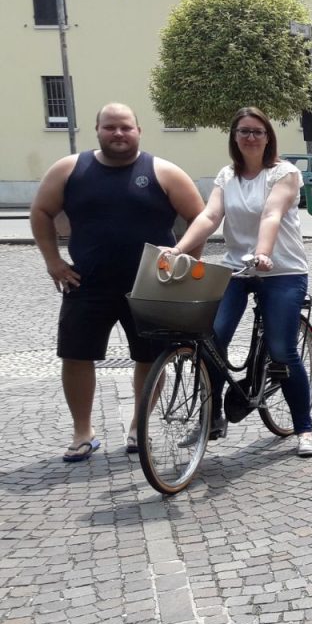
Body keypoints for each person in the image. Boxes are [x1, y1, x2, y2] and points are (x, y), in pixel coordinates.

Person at [31, 102, 205, 462]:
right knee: (76, 355)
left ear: (139, 130)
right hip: (86, 281)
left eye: (126, 127)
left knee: (149, 358)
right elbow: (41, 211)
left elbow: (198, 218)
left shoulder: (163, 172)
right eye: (110, 127)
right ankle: (83, 432)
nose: (118, 134)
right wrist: (53, 262)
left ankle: (137, 428)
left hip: (150, 284)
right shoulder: (70, 169)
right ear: (97, 130)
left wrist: (186, 265)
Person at [168, 107, 312, 457]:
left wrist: (264, 253)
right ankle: (213, 417)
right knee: (212, 339)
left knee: (282, 350)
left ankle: (304, 428)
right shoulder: (226, 176)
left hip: (282, 270)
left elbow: (272, 214)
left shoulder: (285, 173)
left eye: (258, 131)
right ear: (234, 137)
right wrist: (178, 249)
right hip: (237, 268)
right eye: (244, 131)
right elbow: (210, 216)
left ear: (268, 137)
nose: (251, 137)